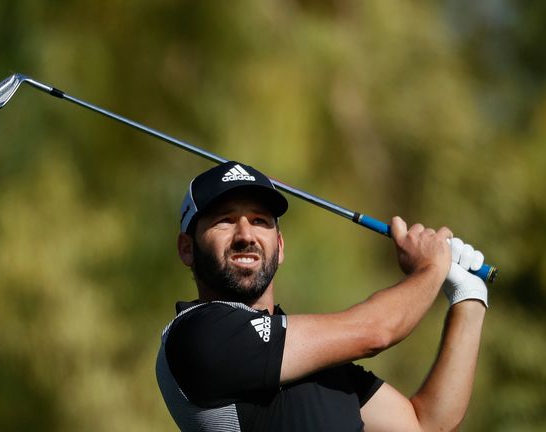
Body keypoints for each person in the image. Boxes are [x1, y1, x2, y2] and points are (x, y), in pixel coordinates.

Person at [156, 161, 488, 431]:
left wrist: (468, 297)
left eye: (259, 221)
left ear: (280, 247)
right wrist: (430, 268)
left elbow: (426, 424)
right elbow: (376, 331)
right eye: (224, 221)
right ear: (187, 248)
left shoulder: (312, 359)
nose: (246, 235)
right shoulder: (198, 335)